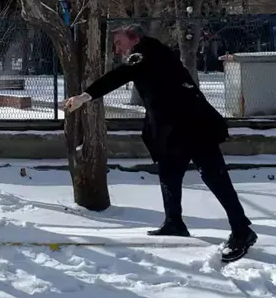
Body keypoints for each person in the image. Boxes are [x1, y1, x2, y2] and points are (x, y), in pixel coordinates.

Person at [63, 25, 257, 263]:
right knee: (169, 173)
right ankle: (174, 222)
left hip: (194, 126)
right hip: (175, 130)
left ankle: (241, 231)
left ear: (134, 39)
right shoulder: (151, 54)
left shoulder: (146, 52)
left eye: (119, 42)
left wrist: (85, 96)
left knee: (214, 176)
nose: (116, 48)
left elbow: (119, 75)